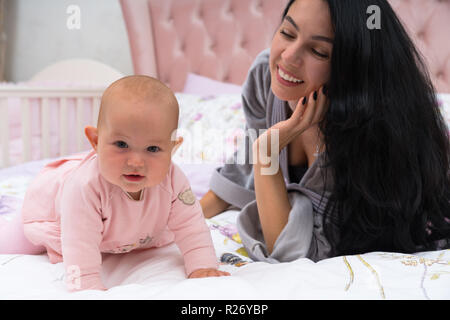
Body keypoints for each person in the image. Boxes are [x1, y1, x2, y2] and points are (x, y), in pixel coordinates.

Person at [200, 0, 450, 262]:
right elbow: (244, 169)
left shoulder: (359, 130)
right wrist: (179, 219)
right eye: (287, 33)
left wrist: (267, 152)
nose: (288, 57)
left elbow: (288, 251)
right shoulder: (266, 76)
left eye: (318, 51)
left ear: (351, 68)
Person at [1, 75, 229, 291]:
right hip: (59, 217)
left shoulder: (173, 179)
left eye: (153, 149)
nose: (136, 162)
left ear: (172, 149)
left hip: (129, 234)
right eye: (121, 144)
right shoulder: (84, 186)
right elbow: (79, 243)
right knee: (11, 242)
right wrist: (87, 286)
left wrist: (202, 266)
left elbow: (191, 225)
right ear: (96, 141)